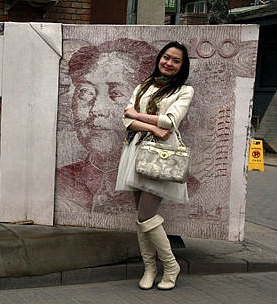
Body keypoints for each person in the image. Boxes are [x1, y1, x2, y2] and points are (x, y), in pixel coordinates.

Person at [115, 41, 194, 290]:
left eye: (175, 60)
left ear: (182, 66)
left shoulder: (184, 90)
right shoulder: (143, 86)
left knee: (145, 214)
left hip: (160, 156)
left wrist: (137, 115)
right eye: (166, 57)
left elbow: (169, 122)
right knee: (141, 216)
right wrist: (148, 125)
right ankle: (149, 268)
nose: (168, 63)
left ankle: (171, 266)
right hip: (136, 150)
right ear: (159, 58)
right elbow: (126, 120)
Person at [56, 38, 157, 214]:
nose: (96, 109)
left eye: (116, 93)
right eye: (85, 92)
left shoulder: (166, 183)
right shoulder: (58, 181)